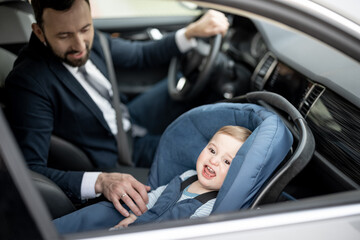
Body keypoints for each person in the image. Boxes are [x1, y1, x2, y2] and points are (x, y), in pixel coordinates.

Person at [4, 0, 229, 218]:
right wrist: (101, 181)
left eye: (85, 29)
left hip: (125, 122)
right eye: (64, 36)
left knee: (209, 124)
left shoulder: (94, 40)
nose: (80, 45)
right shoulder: (29, 82)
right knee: (207, 154)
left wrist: (190, 33)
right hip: (115, 158)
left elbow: (141, 54)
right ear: (40, 32)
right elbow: (30, 170)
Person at [54, 125, 252, 233]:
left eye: (227, 162)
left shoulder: (211, 204)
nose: (214, 161)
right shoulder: (188, 176)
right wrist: (133, 217)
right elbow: (157, 196)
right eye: (211, 150)